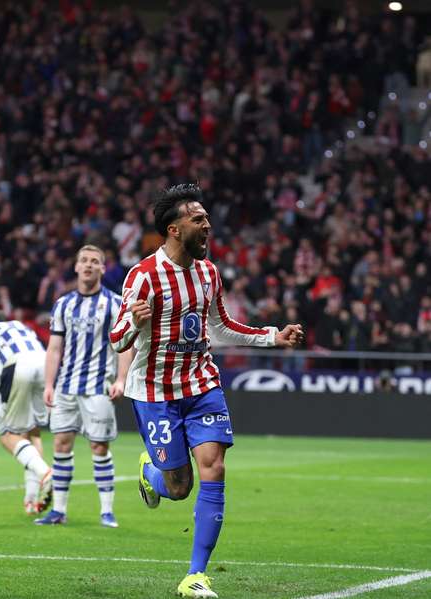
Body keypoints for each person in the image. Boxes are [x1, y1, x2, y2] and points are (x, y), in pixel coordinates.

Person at [109, 184, 304, 599]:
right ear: (174, 229)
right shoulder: (142, 276)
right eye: (198, 219)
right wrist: (135, 323)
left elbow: (221, 326)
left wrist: (273, 337)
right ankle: (150, 472)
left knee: (213, 468)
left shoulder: (209, 273)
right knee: (179, 487)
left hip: (202, 385)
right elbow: (117, 337)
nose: (207, 225)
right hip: (155, 393)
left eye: (206, 217)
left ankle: (195, 576)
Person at [35, 245, 132, 528]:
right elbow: (54, 349)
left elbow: (124, 346)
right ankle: (59, 511)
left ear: (103, 268)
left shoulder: (115, 304)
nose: (88, 265)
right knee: (61, 444)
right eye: (84, 261)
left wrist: (121, 379)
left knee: (98, 447)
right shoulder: (63, 304)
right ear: (76, 267)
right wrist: (49, 383)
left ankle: (106, 511)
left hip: (98, 386)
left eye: (95, 262)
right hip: (66, 386)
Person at [0, 308, 53, 515]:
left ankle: (46, 474)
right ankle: (31, 500)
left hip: (15, 366)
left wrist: (5, 399)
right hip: (44, 363)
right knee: (32, 432)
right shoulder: (19, 325)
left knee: (8, 435)